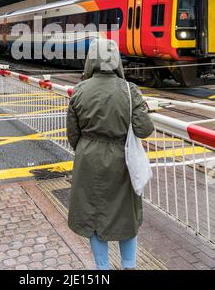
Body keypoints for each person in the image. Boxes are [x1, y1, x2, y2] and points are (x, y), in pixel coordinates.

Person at [66, 38, 155, 271]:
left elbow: (72, 134)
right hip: (122, 161)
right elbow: (145, 130)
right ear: (116, 60)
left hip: (88, 159)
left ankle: (102, 268)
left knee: (94, 218)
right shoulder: (129, 90)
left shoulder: (79, 90)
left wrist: (88, 150)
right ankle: (129, 266)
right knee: (127, 215)